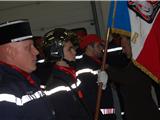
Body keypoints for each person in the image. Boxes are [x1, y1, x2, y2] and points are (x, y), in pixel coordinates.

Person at [0, 19, 55, 120]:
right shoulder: (5, 89)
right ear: (10, 52)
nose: (36, 52)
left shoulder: (30, 79)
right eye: (28, 48)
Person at [106, 34, 160, 120]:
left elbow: (124, 77)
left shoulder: (139, 64)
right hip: (139, 113)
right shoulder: (133, 63)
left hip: (144, 114)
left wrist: (108, 68)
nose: (123, 51)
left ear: (132, 45)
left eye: (124, 47)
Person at [43, 28, 92, 120]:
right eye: (70, 49)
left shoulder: (69, 75)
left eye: (73, 48)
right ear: (56, 53)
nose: (74, 52)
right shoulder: (56, 84)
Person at [76, 34, 116, 120]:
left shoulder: (98, 63)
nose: (101, 49)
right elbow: (88, 93)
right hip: (99, 114)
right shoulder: (85, 66)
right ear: (89, 47)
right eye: (98, 46)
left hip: (107, 113)